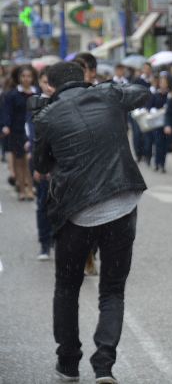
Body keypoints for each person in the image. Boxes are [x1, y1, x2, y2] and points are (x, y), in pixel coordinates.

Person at [32, 61, 149, 384]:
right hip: (121, 203)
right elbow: (142, 93)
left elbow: (40, 164)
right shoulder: (108, 95)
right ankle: (104, 366)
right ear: (84, 78)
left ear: (51, 86)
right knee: (112, 290)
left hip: (75, 211)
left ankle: (68, 363)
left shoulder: (47, 116)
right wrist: (110, 88)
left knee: (67, 289)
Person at [1, 64, 38, 201]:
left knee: (30, 160)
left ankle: (30, 188)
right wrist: (5, 125)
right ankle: (22, 189)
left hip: (33, 131)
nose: (26, 79)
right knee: (19, 160)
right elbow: (7, 112)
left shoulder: (37, 93)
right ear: (19, 78)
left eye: (29, 76)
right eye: (23, 76)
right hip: (16, 131)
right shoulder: (12, 95)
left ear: (33, 77)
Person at [32, 67, 55, 260]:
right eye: (45, 82)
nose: (48, 87)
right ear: (39, 82)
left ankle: (57, 238)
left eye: (51, 82)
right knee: (42, 203)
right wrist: (40, 165)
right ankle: (44, 243)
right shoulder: (35, 103)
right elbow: (36, 137)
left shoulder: (62, 102)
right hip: (42, 160)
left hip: (61, 163)